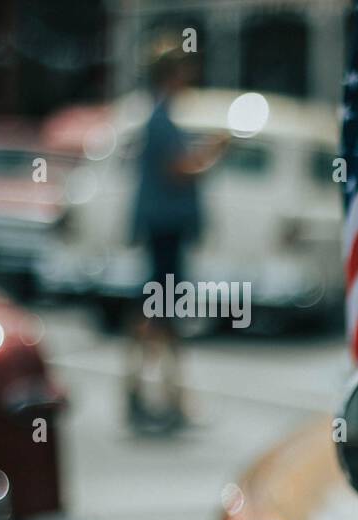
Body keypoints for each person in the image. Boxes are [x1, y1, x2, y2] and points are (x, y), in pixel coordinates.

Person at [126, 36, 228, 433]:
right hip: (164, 230)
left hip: (164, 231)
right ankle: (163, 394)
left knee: (160, 311)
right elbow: (178, 170)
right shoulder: (161, 120)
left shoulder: (161, 117)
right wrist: (213, 153)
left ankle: (162, 393)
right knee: (161, 311)